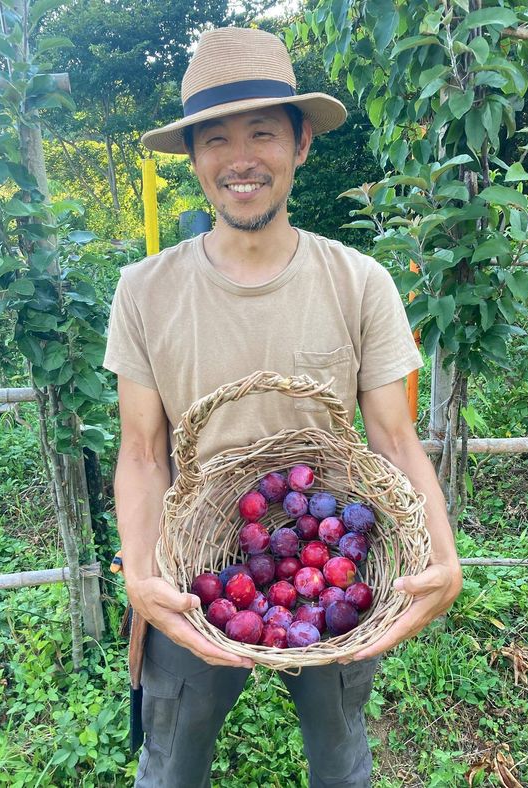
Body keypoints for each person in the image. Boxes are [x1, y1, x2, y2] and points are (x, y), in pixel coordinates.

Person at [103, 26, 462, 788]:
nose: (240, 158)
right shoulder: (144, 290)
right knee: (170, 766)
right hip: (191, 565)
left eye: (263, 131)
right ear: (194, 159)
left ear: (301, 143)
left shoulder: (360, 282)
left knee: (341, 762)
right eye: (217, 138)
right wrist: (141, 573)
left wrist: (444, 554)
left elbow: (394, 441)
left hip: (330, 573)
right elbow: (141, 453)